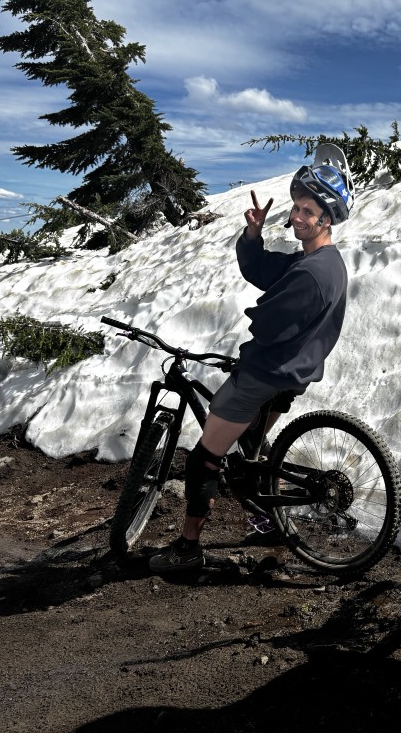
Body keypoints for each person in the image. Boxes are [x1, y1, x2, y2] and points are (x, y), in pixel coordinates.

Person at [149, 157, 353, 572]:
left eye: (307, 211)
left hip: (266, 374)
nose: (297, 216)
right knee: (254, 450)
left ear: (327, 218)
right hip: (293, 374)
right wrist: (253, 233)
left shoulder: (313, 272)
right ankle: (270, 522)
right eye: (295, 208)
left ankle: (187, 550)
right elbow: (261, 270)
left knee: (205, 457)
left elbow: (269, 323)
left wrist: (251, 341)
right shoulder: (319, 262)